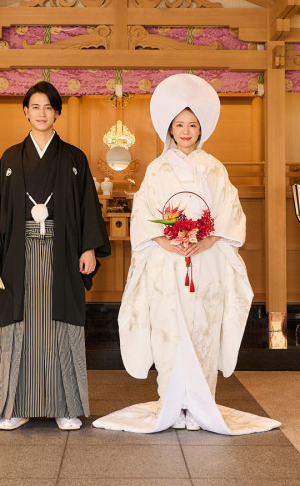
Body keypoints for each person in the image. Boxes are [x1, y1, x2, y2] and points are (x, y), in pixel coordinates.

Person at [93, 74, 279, 435]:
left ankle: (199, 405)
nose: (186, 130)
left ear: (201, 128)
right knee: (169, 330)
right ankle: (172, 403)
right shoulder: (157, 168)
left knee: (202, 329)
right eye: (179, 124)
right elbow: (146, 213)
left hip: (204, 260)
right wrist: (166, 240)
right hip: (167, 261)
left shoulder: (215, 168)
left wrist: (206, 241)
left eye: (192, 124)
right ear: (170, 128)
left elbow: (229, 210)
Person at [0, 81, 110, 431]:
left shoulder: (74, 158)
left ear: (57, 113)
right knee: (22, 328)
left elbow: (86, 209)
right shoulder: (10, 159)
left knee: (59, 328)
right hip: (20, 254)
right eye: (35, 107)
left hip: (62, 254)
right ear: (25, 112)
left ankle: (66, 407)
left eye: (48, 107)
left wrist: (89, 247)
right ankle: (16, 407)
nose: (42, 113)